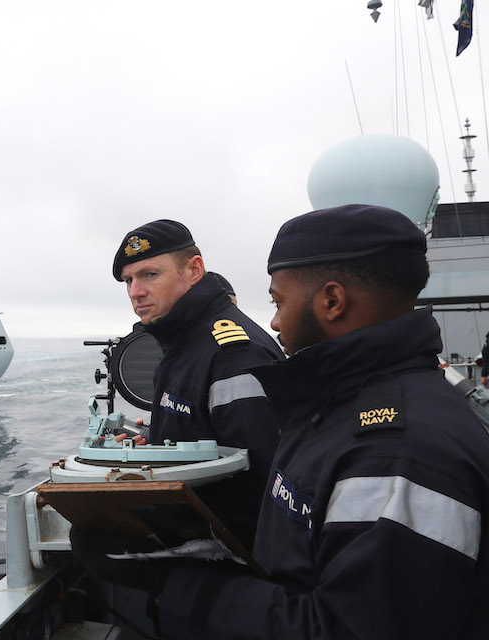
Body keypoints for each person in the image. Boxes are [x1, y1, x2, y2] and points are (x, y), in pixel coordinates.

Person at [158, 204, 489, 639]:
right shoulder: (337, 407)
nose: (273, 322)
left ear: (331, 301)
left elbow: (346, 629)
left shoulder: (397, 454)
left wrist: (175, 587)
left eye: (279, 301)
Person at [111, 219, 284, 548]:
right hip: (198, 517)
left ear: (193, 270)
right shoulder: (184, 343)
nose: (135, 291)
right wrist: (155, 446)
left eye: (150, 274)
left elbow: (262, 483)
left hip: (230, 541)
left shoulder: (232, 355)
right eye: (129, 280)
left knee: (94, 543)